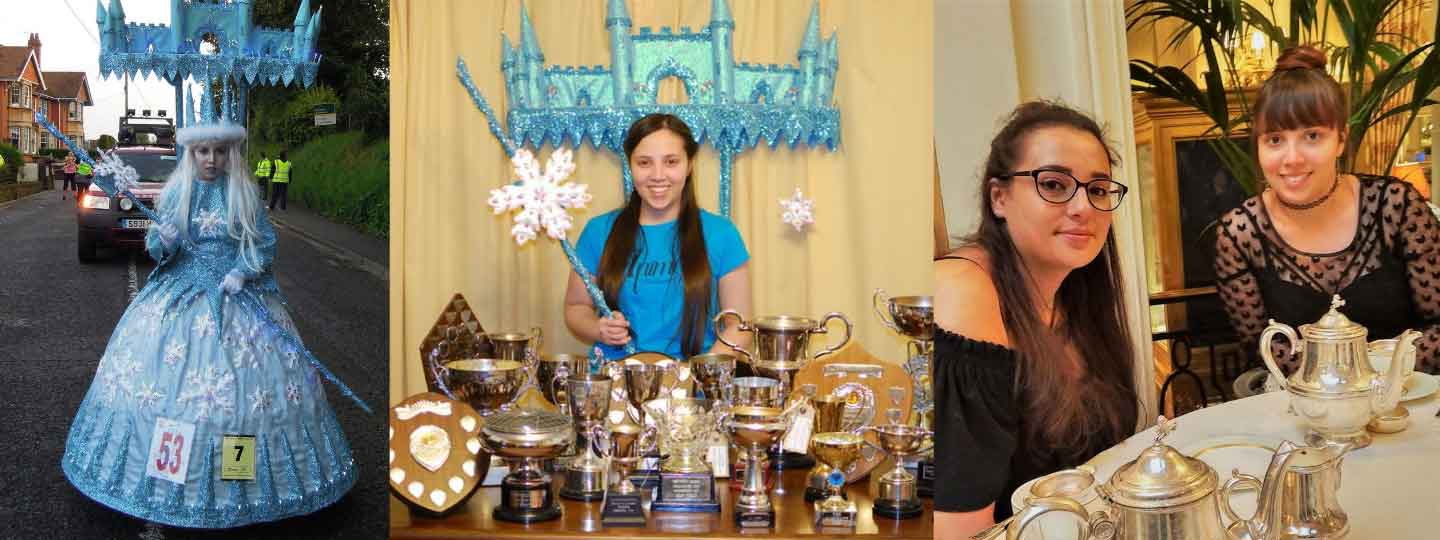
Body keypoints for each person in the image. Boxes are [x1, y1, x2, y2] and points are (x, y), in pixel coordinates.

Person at [61, 122, 355, 528]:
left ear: (230, 153)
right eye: (203, 151)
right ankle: (168, 479)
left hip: (239, 298)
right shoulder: (177, 194)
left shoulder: (244, 195)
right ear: (191, 154)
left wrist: (242, 270)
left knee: (245, 394)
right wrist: (164, 239)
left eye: (219, 151)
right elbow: (156, 250)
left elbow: (264, 242)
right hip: (180, 299)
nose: (211, 160)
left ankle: (245, 482)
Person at [932, 100, 1140, 538]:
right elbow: (959, 529)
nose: (1084, 207)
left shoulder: (1081, 297)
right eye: (1054, 184)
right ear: (999, 197)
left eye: (1098, 189)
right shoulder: (962, 290)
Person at [1214, 46, 1440, 375]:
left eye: (1312, 136)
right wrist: (1339, 390)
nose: (1292, 158)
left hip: (1406, 405)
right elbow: (1261, 348)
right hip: (1305, 412)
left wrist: (1375, 380)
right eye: (1275, 139)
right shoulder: (1239, 234)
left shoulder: (1396, 205)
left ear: (1340, 140)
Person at [564, 113, 753, 362]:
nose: (657, 175)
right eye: (644, 163)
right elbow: (575, 308)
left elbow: (740, 326)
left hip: (690, 391)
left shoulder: (721, 233)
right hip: (613, 388)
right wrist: (599, 328)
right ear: (630, 166)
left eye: (671, 162)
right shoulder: (599, 230)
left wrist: (697, 373)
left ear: (690, 165)